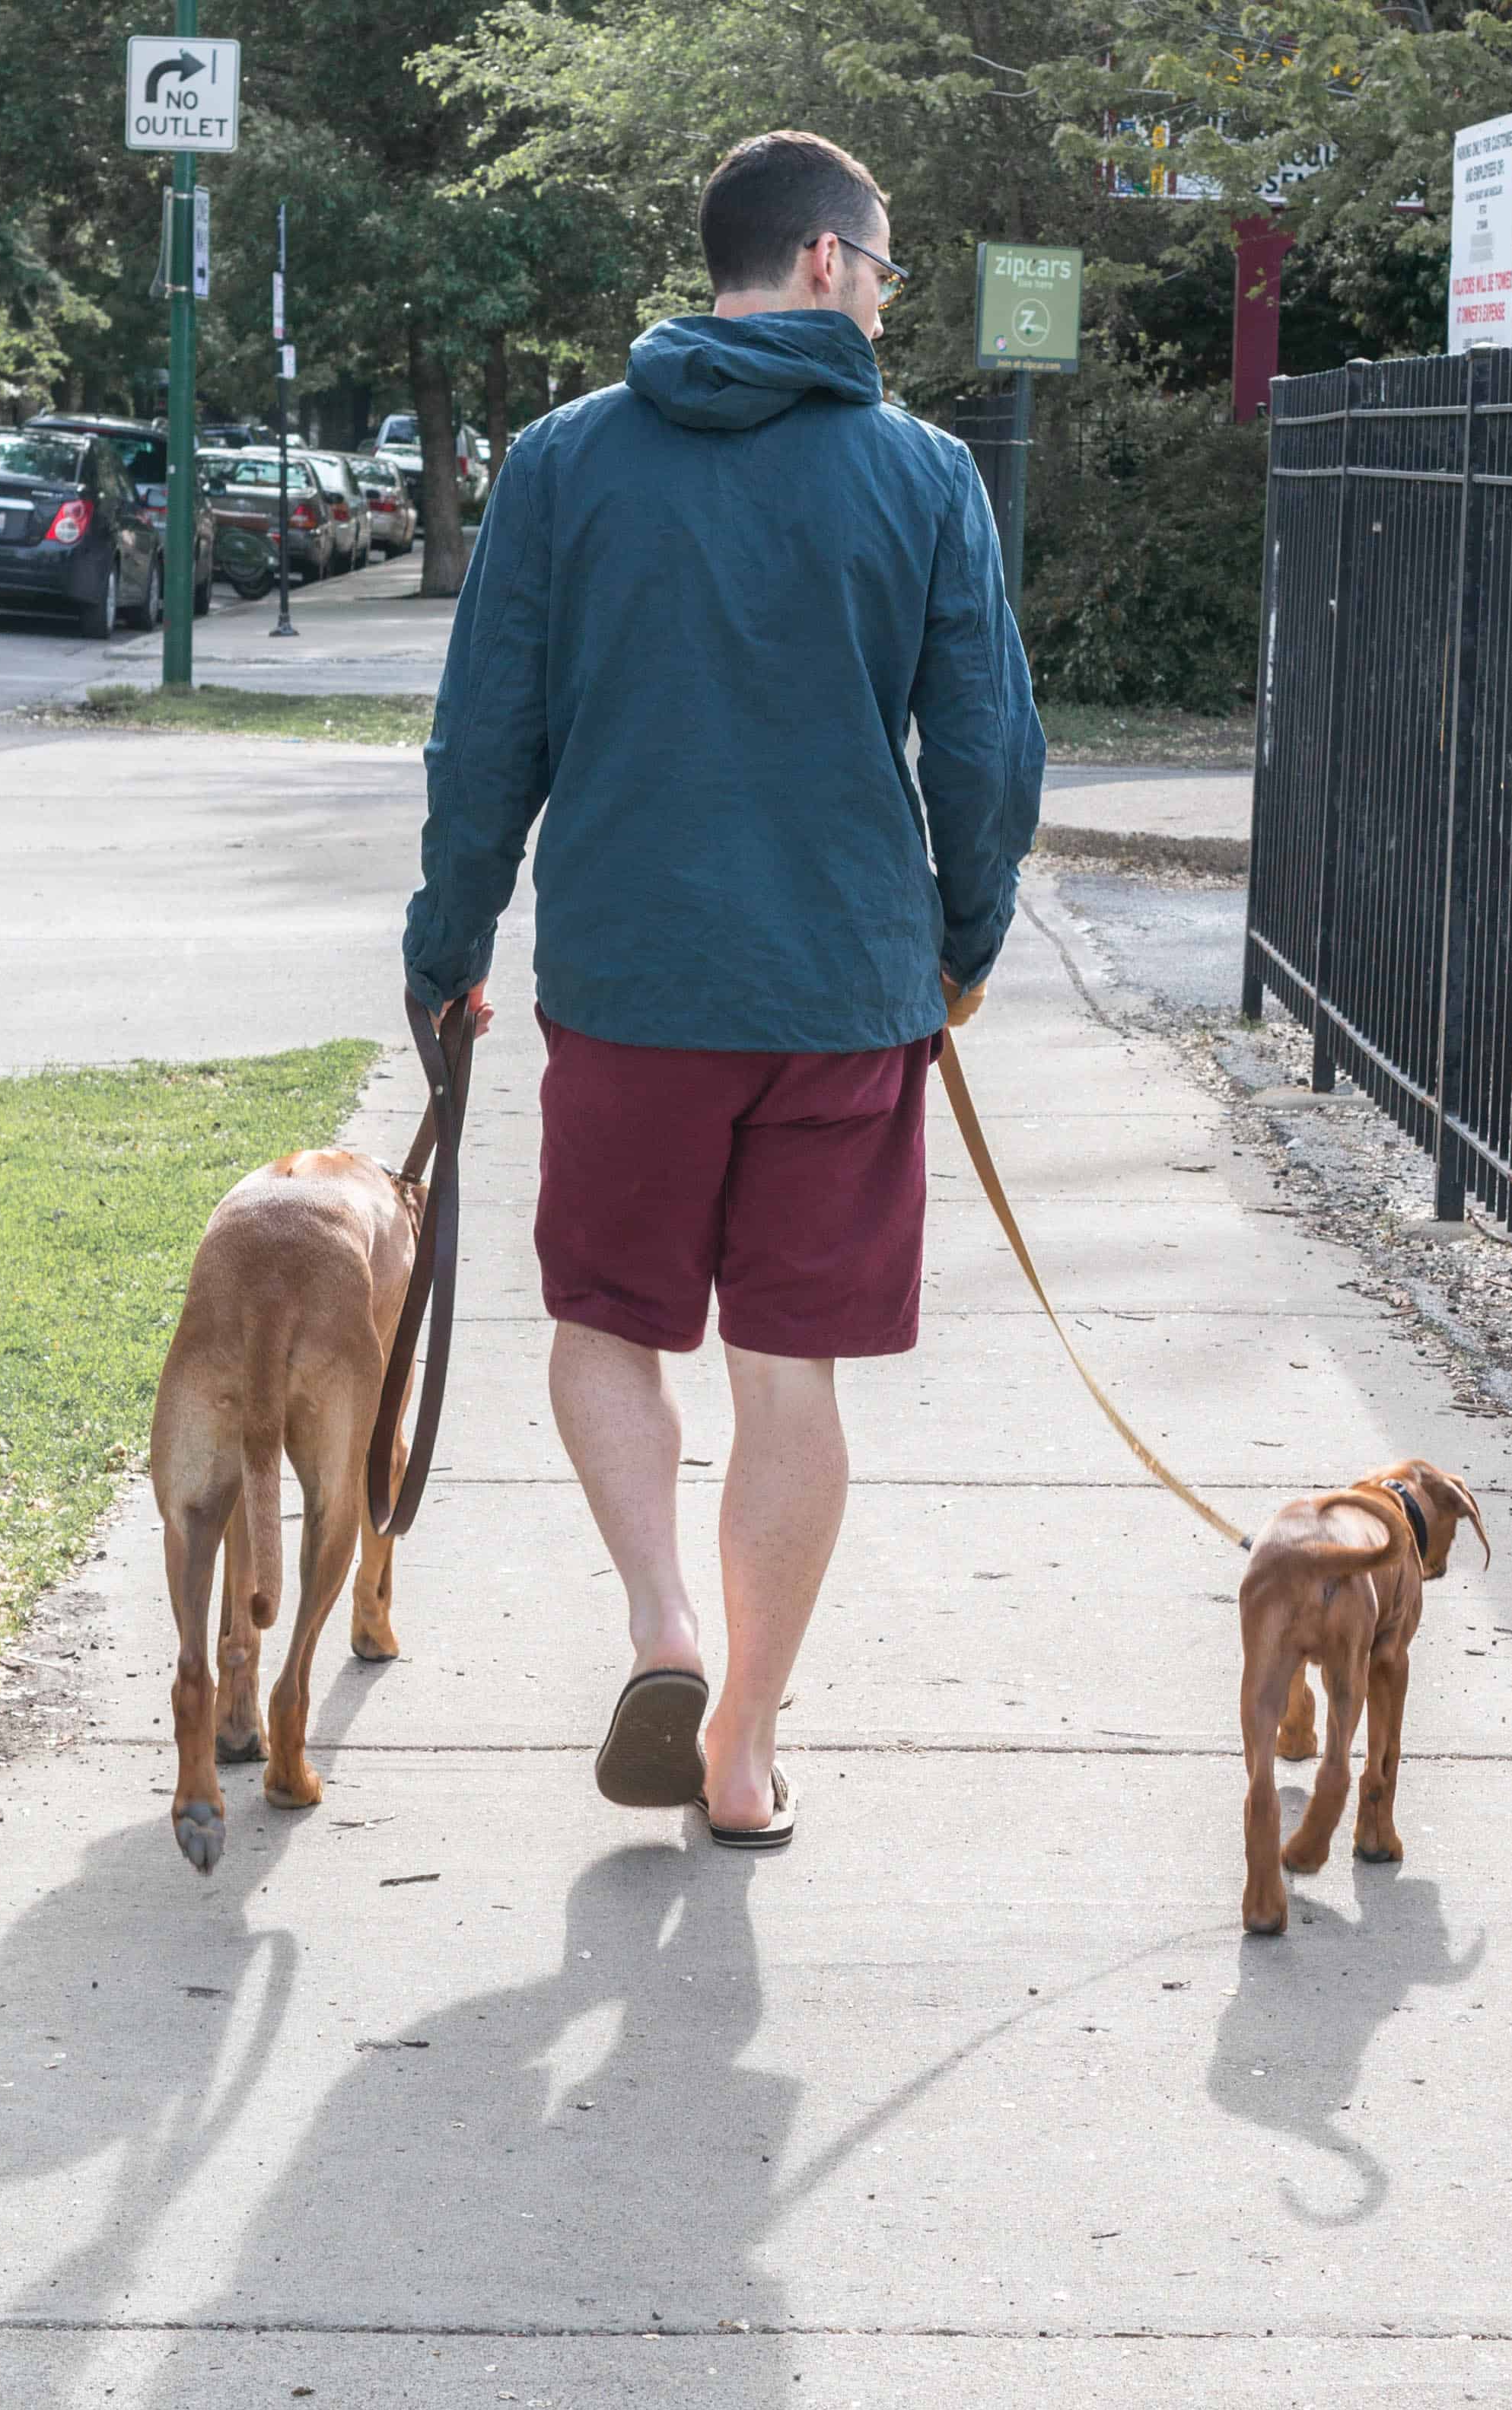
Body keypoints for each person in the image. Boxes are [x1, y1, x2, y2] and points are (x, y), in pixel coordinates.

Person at [403, 129, 1044, 1849]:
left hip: (629, 985)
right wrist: (962, 946)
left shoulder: (559, 463)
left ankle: (658, 1625)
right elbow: (982, 751)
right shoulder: (920, 478)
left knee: (608, 1321)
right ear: (828, 262)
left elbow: (487, 743)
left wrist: (446, 947)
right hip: (840, 995)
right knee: (789, 1370)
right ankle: (744, 1745)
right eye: (889, 265)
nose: (888, 299)